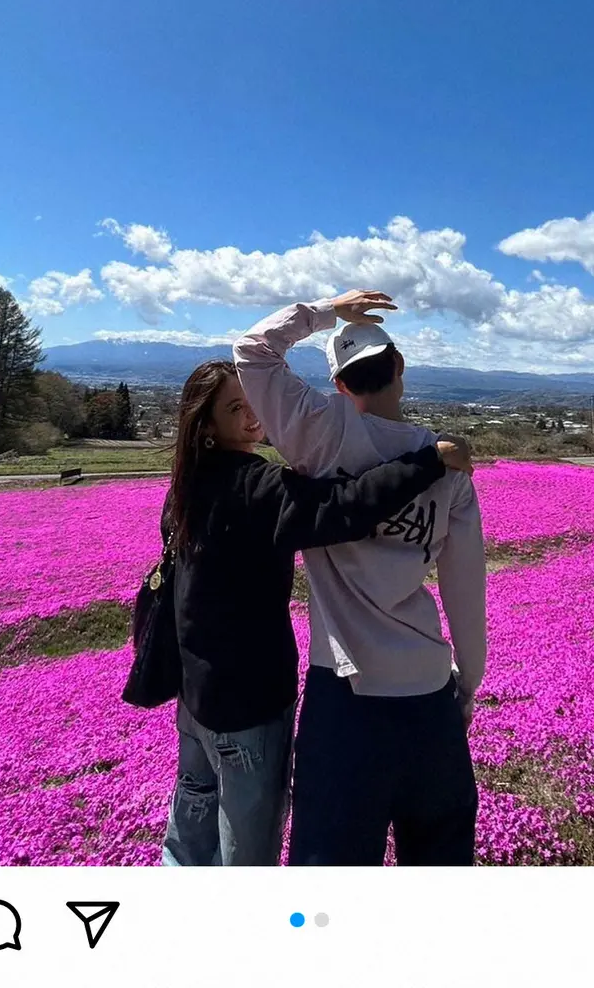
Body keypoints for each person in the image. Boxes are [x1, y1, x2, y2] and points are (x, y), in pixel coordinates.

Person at [160, 358, 476, 867]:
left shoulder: (189, 484)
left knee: (189, 835)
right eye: (235, 408)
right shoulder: (256, 487)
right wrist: (430, 461)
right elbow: (342, 508)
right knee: (248, 850)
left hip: (196, 699)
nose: (252, 416)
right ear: (207, 426)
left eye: (253, 403)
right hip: (248, 706)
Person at [234, 291, 487, 866]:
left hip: (342, 696)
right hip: (428, 694)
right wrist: (466, 683)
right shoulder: (447, 461)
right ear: (400, 367)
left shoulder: (317, 432)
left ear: (340, 385)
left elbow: (251, 350)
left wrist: (331, 310)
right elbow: (465, 591)